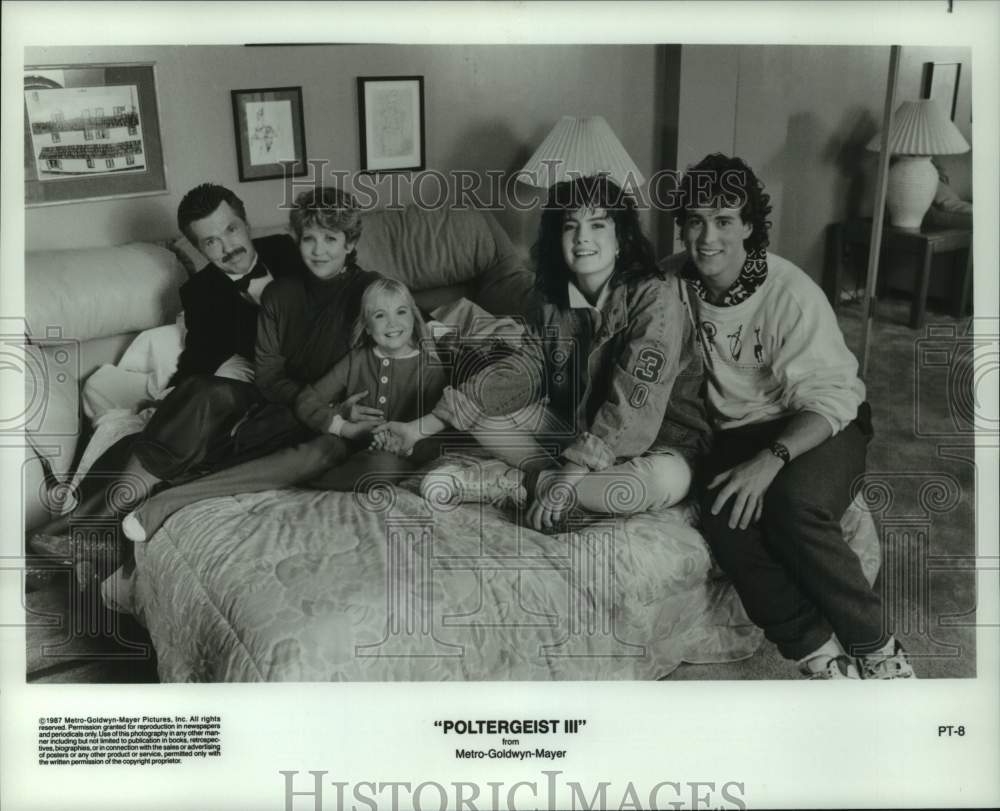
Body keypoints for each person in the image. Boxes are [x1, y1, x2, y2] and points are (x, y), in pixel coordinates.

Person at [672, 152, 915, 680]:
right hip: (738, 430)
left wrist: (773, 458)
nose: (707, 238)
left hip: (820, 421)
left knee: (791, 503)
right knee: (725, 513)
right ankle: (820, 654)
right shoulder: (674, 288)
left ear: (749, 228)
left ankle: (879, 651)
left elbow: (831, 398)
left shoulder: (790, 293)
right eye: (695, 221)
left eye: (724, 221)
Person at [375, 175, 710, 533]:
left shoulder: (656, 298)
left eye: (598, 224)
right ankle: (550, 482)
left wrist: (566, 479)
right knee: (483, 407)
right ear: (558, 239)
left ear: (621, 240)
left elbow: (634, 403)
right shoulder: (553, 301)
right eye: (571, 226)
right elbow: (521, 373)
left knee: (657, 484)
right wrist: (417, 428)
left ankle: (517, 483)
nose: (582, 237)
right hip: (577, 432)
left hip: (659, 445)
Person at [29, 183, 305, 575]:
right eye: (211, 242)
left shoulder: (291, 251)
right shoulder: (201, 291)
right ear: (197, 248)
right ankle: (79, 534)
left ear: (246, 222)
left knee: (196, 420)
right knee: (198, 399)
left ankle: (75, 530)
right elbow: (199, 360)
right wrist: (171, 402)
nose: (227, 246)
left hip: (306, 392)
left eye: (231, 230)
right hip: (251, 390)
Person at [122, 278, 448, 541]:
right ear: (366, 324)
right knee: (310, 453)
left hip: (383, 460)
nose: (393, 323)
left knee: (379, 469)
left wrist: (405, 441)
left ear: (414, 317)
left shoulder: (431, 365)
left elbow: (442, 428)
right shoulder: (358, 359)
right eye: (380, 315)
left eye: (401, 312)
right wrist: (343, 427)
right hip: (338, 445)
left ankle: (299, 479)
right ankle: (166, 501)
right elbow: (308, 400)